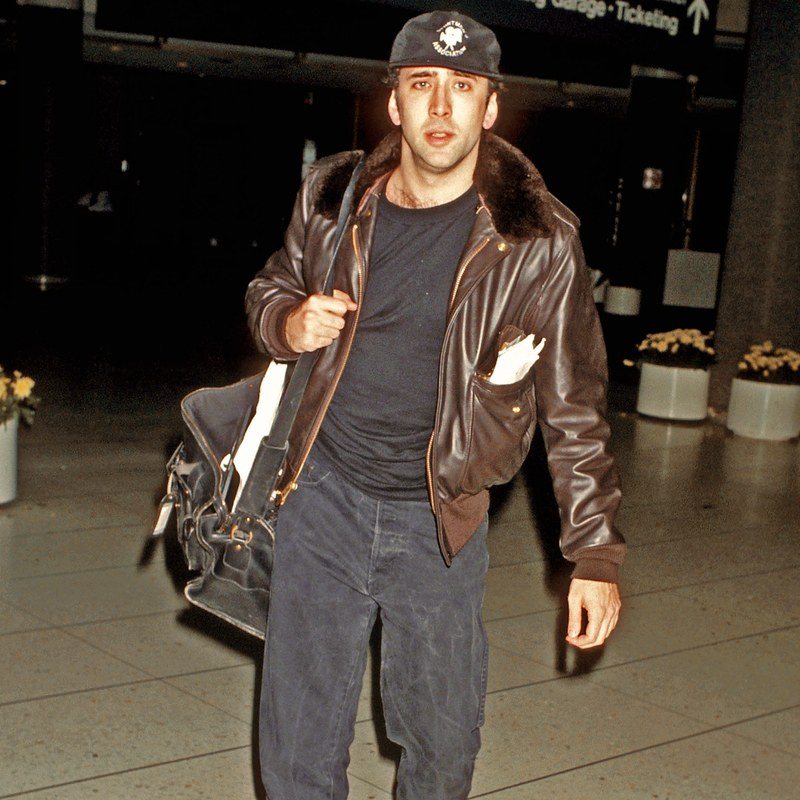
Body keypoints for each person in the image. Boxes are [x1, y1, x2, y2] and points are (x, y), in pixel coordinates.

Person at [245, 10, 625, 799]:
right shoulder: (332, 198)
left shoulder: (538, 241)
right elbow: (270, 284)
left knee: (442, 747)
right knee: (296, 746)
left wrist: (593, 556)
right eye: (423, 86)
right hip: (322, 499)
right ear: (395, 102)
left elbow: (575, 405)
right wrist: (288, 318)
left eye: (463, 88)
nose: (442, 108)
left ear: (492, 107)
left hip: (441, 518)